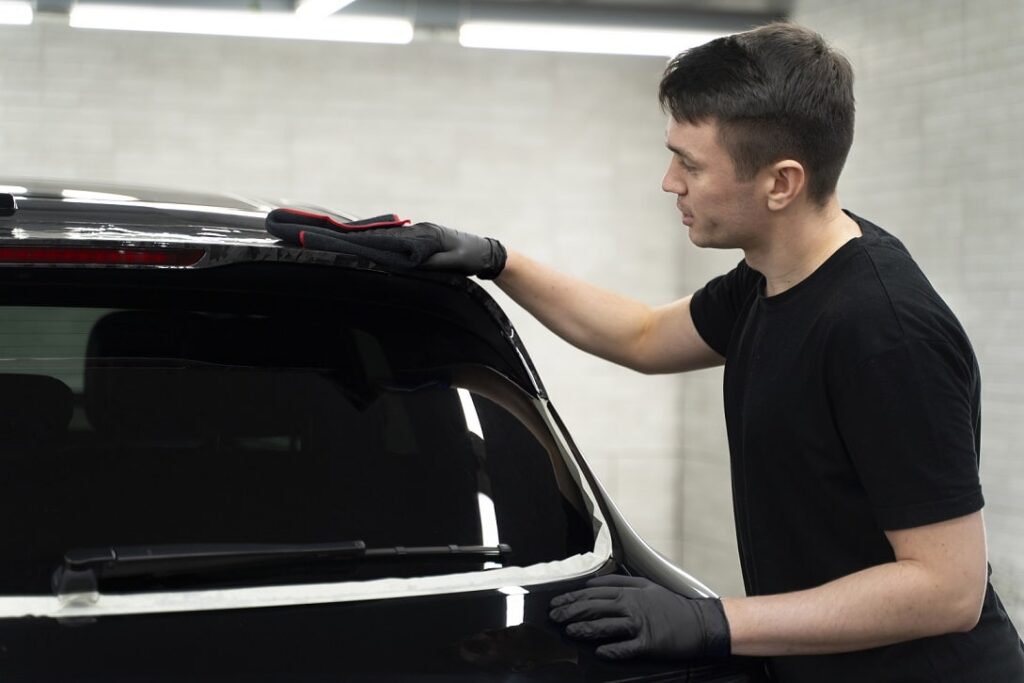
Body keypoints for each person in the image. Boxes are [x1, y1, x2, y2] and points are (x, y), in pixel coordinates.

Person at [331, 21, 1024, 682]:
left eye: (690, 164)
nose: (671, 183)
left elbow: (946, 588)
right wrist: (496, 259)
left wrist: (713, 621)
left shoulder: (883, 332)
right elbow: (641, 334)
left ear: (781, 182)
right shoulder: (771, 278)